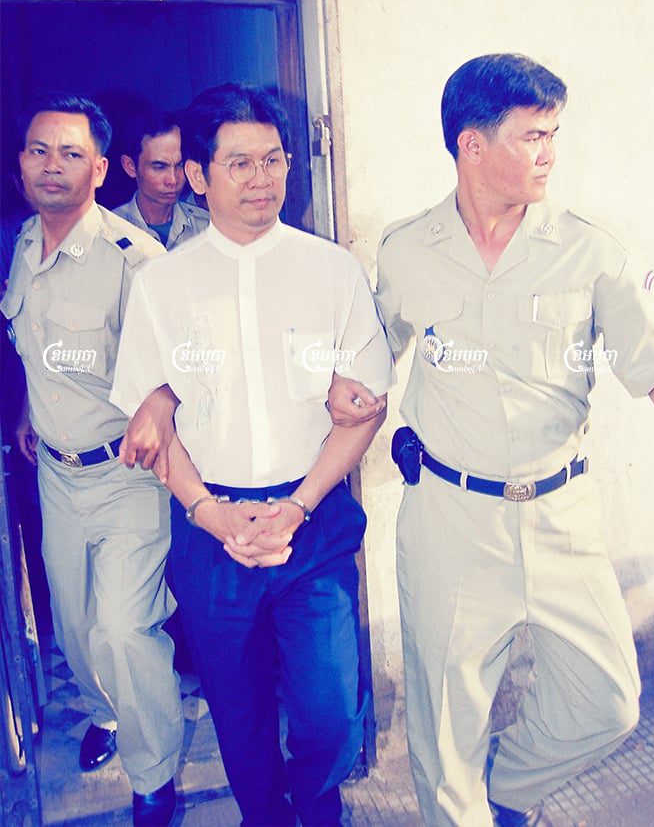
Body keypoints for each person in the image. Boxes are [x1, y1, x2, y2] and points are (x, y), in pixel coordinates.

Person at [329, 53, 654, 827]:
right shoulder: (409, 250)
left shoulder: (594, 251)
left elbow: (653, 368)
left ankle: (506, 788)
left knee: (608, 703)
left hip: (562, 515)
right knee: (445, 725)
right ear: (471, 146)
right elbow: (376, 356)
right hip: (451, 518)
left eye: (554, 134)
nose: (550, 152)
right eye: (533, 136)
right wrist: (348, 388)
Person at [110, 82, 393, 827]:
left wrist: (297, 505)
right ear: (199, 175)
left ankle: (317, 798)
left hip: (313, 520)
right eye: (239, 163)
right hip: (212, 532)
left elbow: (364, 411)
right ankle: (264, 816)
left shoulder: (332, 271)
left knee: (330, 708)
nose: (263, 178)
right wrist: (208, 512)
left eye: (273, 160)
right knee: (237, 718)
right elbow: (150, 415)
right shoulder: (162, 285)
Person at [0, 93, 184, 827]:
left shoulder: (135, 261)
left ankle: (154, 773)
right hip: (55, 475)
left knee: (121, 628)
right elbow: (33, 346)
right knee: (75, 632)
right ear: (20, 163)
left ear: (102, 168)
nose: (52, 166)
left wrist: (161, 403)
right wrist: (24, 414)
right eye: (39, 151)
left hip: (128, 476)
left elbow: (182, 366)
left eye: (71, 153)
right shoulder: (18, 245)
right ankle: (109, 708)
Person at [114, 107, 209, 248]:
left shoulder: (206, 227)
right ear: (130, 166)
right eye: (159, 167)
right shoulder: (110, 232)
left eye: (180, 165)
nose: (173, 180)